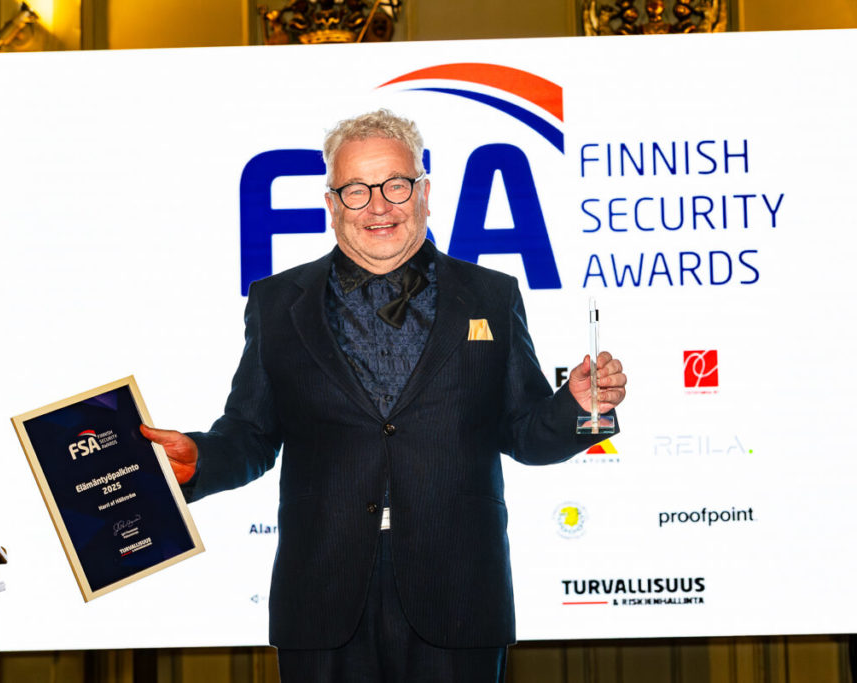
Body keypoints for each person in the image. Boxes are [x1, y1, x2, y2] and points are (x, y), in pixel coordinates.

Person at [141, 109, 627, 682]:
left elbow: (524, 433)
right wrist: (199, 460)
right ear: (332, 204)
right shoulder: (276, 303)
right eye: (356, 190)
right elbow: (250, 434)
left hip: (459, 593)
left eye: (395, 184)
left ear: (424, 194)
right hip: (320, 595)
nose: (378, 206)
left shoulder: (491, 296)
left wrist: (578, 408)